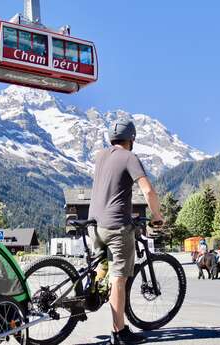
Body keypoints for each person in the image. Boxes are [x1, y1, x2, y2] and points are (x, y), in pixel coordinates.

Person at [89, 119, 164, 345]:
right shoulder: (130, 157)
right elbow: (148, 191)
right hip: (115, 228)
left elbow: (111, 191)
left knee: (101, 266)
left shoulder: (100, 156)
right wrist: (157, 216)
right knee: (119, 279)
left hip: (94, 226)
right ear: (131, 139)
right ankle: (119, 332)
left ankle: (89, 294)